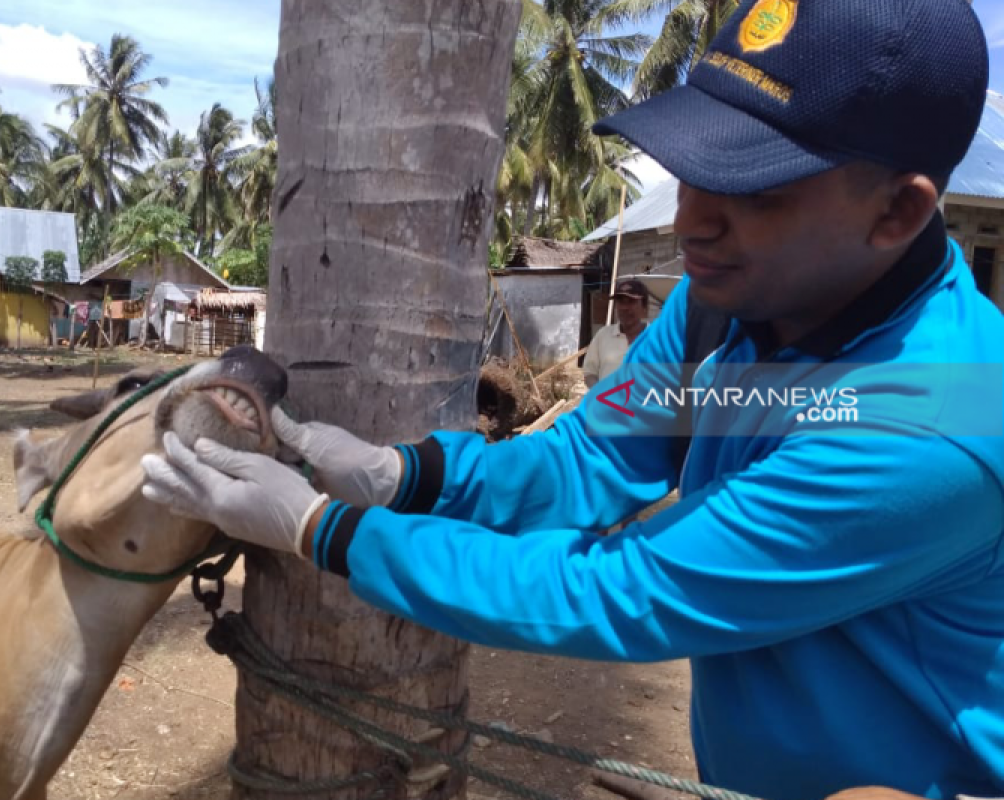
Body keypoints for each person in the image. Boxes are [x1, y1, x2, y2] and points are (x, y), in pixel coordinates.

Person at [141, 1, 1004, 798]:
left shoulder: (932, 421)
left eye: (753, 189)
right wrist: (403, 477)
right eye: (693, 163)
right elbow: (593, 457)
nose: (695, 217)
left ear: (897, 211)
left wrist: (317, 526)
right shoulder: (728, 309)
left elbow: (620, 590)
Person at [581, 279, 650, 386]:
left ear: (644, 307)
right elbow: (590, 373)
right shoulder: (603, 335)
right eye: (621, 301)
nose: (624, 307)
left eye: (631, 301)